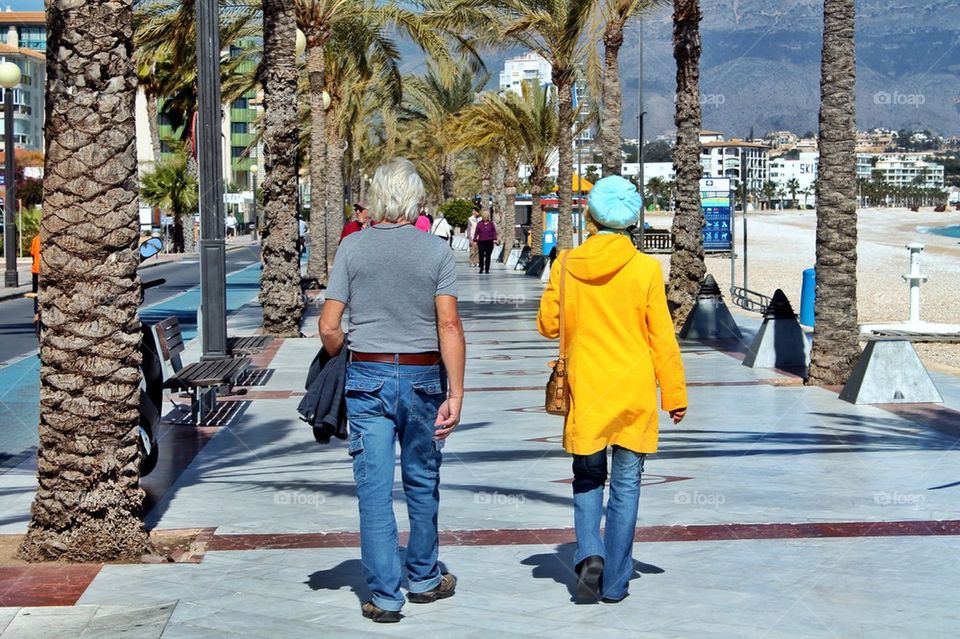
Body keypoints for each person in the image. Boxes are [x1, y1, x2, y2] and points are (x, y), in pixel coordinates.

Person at [320, 157, 466, 624]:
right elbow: (448, 323)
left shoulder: (352, 249)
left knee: (374, 489)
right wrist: (457, 393)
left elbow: (328, 326)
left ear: (378, 198)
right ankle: (423, 578)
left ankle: (385, 596)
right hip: (425, 378)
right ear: (416, 199)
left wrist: (348, 349)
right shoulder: (437, 252)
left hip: (368, 378)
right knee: (423, 479)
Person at [536, 175, 687, 604]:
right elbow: (662, 337)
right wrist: (674, 394)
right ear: (632, 220)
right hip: (633, 392)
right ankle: (617, 582)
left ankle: (588, 556)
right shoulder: (645, 269)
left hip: (587, 389)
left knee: (586, 478)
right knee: (626, 485)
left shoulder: (567, 263)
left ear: (591, 217)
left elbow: (548, 325)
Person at [473, 209, 497, 274]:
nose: (486, 218)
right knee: (481, 255)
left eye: (487, 217)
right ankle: (481, 267)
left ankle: (487, 269)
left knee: (488, 256)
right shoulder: (479, 224)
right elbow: (476, 232)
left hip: (489, 241)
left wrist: (495, 239)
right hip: (481, 242)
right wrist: (475, 240)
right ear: (483, 217)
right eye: (485, 217)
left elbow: (494, 231)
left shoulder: (491, 223)